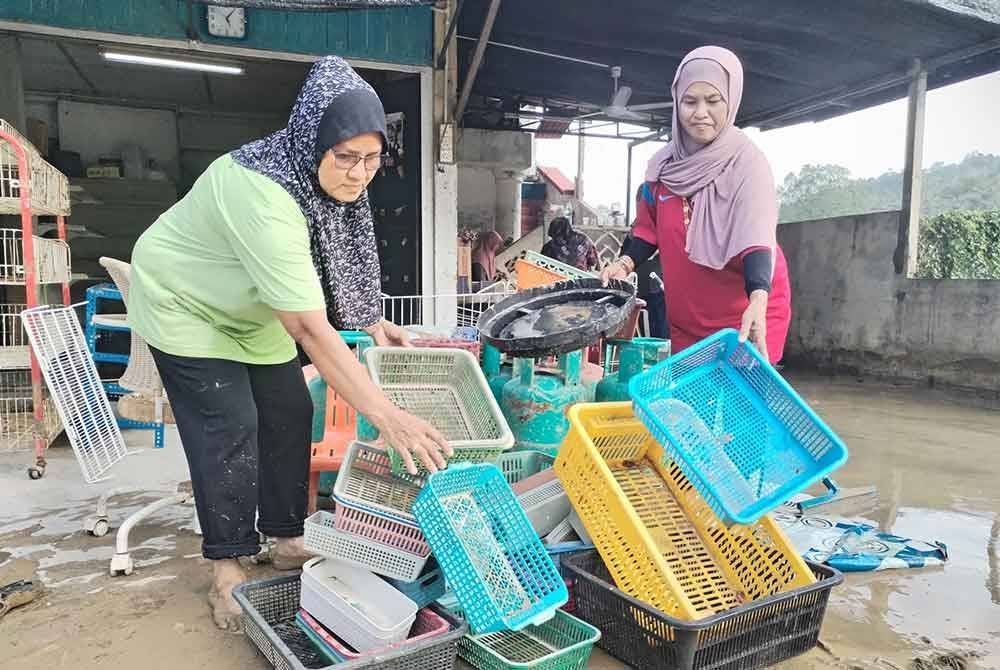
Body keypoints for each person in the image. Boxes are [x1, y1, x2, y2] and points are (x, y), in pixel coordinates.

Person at [127, 57, 451, 632]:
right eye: (346, 157)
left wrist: (374, 321)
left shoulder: (331, 180)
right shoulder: (264, 191)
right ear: (312, 140)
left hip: (251, 308)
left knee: (289, 408)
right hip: (185, 301)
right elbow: (307, 326)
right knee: (230, 423)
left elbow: (343, 258)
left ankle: (284, 537)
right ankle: (227, 566)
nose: (359, 174)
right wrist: (387, 413)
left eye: (372, 158)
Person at [601, 46, 790, 363]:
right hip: (687, 318)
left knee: (738, 405)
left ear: (730, 102)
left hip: (747, 313)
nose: (700, 112)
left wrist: (758, 297)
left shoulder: (747, 164)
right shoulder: (662, 169)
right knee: (691, 406)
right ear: (677, 104)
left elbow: (756, 238)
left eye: (713, 101)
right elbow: (648, 231)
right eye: (690, 101)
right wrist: (623, 264)